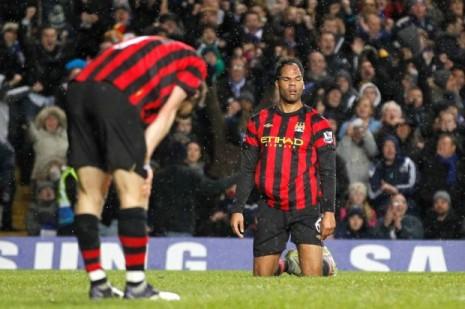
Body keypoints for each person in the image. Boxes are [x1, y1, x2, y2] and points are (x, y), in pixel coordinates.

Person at [65, 36, 206, 300]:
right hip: (115, 93)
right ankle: (136, 285)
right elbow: (166, 115)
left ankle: (99, 285)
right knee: (134, 192)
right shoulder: (195, 65)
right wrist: (142, 164)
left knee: (89, 194)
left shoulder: (153, 52)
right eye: (186, 109)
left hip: (77, 89)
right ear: (195, 93)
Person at [230, 57, 336, 277]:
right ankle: (287, 265)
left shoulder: (318, 122)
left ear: (303, 83)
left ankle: (313, 264)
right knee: (261, 280)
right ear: (277, 83)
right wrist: (238, 209)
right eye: (287, 79)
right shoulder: (258, 121)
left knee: (313, 281)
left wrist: (329, 212)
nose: (292, 84)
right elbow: (247, 169)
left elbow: (328, 172)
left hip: (306, 208)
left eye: (297, 79)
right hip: (271, 208)